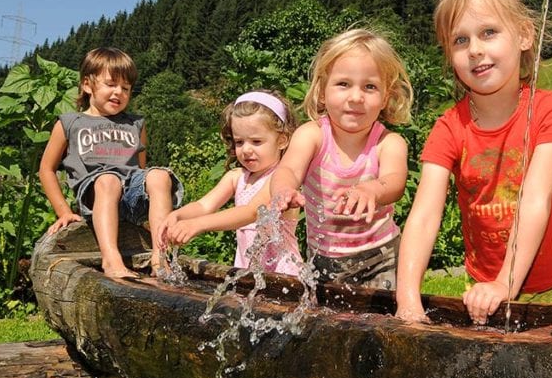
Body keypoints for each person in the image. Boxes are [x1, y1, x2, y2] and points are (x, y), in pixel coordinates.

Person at [395, 0, 552, 325]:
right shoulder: (449, 128)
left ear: (524, 35)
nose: (475, 50)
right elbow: (423, 216)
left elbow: (535, 200)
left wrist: (506, 282)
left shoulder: (548, 111)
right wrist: (407, 301)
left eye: (489, 32)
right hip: (482, 289)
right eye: (460, 40)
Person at [271, 28, 413, 290]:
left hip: (380, 257)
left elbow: (396, 181)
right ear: (323, 91)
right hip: (322, 258)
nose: (356, 97)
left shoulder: (388, 143)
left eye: (370, 87)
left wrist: (372, 189)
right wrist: (283, 190)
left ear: (385, 97)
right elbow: (289, 168)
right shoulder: (312, 135)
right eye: (343, 84)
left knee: (381, 327)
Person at [38, 47, 183, 278]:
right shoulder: (70, 122)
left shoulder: (136, 124)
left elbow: (141, 168)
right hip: (96, 195)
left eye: (125, 88)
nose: (118, 92)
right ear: (87, 85)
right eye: (111, 84)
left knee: (159, 176)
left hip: (130, 195)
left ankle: (160, 256)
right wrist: (63, 211)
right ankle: (111, 259)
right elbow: (46, 169)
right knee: (108, 180)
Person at [154, 90, 302, 276]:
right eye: (239, 142)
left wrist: (197, 225)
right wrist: (178, 216)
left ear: (282, 140)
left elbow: (251, 212)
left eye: (256, 141)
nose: (246, 150)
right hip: (248, 271)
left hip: (283, 273)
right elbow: (204, 205)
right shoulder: (236, 177)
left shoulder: (280, 179)